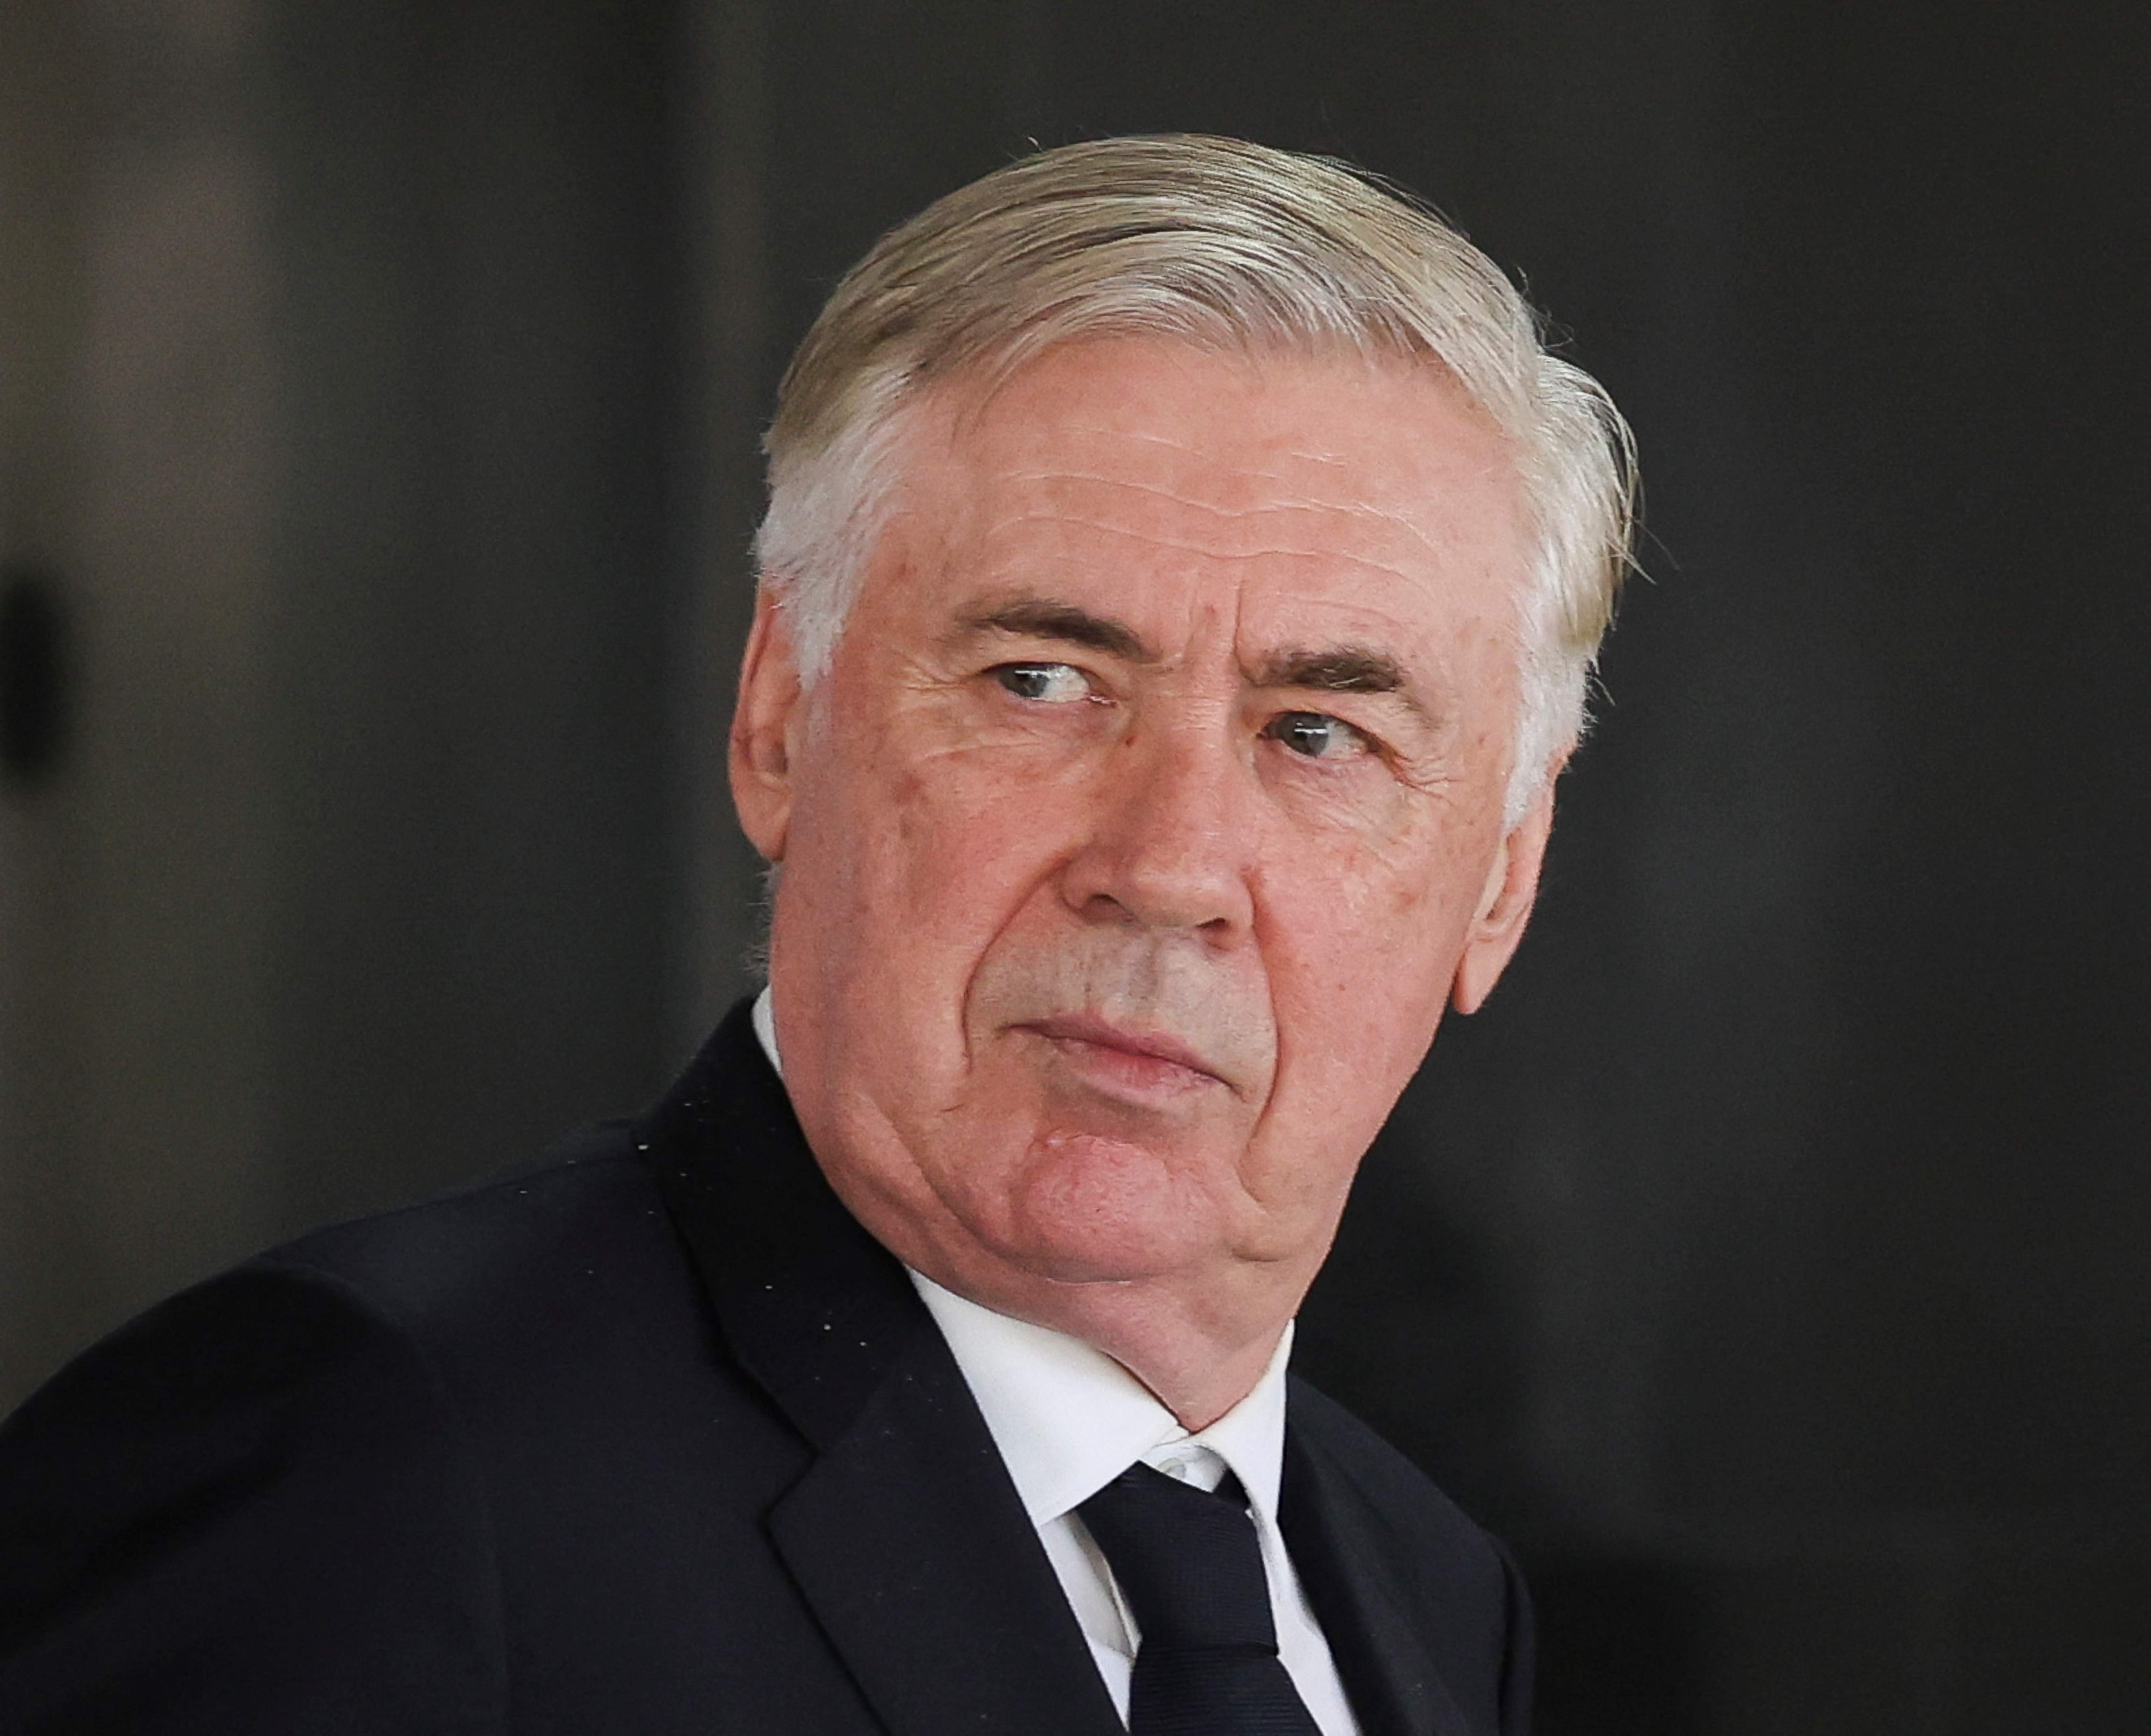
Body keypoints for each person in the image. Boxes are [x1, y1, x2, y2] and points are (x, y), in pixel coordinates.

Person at [0, 134, 1635, 1734]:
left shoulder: (1422, 1588)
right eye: (1040, 683)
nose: (1169, 863)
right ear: (782, 714)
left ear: (1501, 877)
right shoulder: (371, 1463)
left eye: (1317, 733)